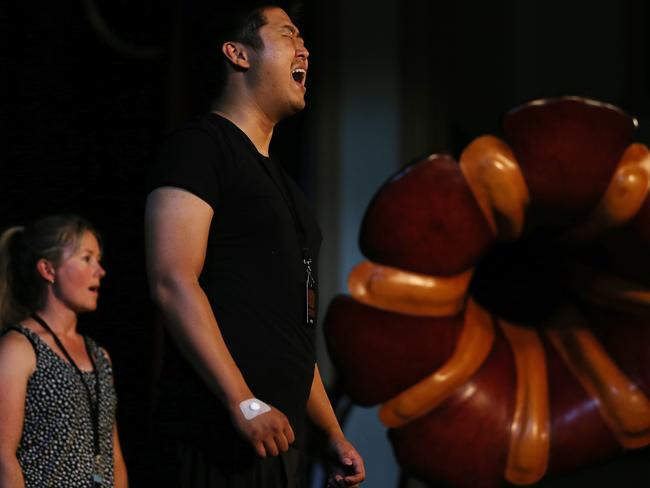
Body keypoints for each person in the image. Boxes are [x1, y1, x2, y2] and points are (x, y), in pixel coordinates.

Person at [145, 2, 365, 487]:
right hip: (214, 436)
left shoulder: (287, 189)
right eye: (288, 34)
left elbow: (290, 331)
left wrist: (331, 432)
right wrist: (242, 401)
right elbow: (172, 279)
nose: (304, 47)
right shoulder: (201, 146)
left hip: (277, 443)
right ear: (238, 54)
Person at [0, 215, 128, 488]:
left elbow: (113, 454)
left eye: (98, 259)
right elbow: (3, 455)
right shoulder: (19, 348)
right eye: (86, 258)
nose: (100, 270)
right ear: (48, 270)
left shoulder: (99, 355)